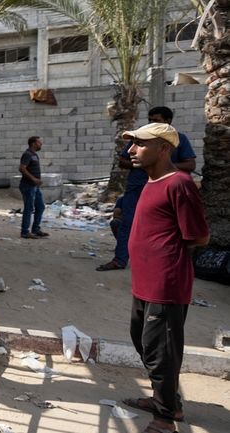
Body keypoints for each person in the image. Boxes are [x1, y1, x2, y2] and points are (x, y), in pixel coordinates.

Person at [120, 122, 209, 433]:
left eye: (141, 144)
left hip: (165, 283)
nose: (132, 150)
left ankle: (164, 420)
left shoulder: (179, 184)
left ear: (164, 148)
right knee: (143, 341)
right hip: (144, 282)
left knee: (161, 351)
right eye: (132, 144)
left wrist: (165, 255)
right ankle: (168, 401)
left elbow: (198, 236)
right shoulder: (150, 181)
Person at [96, 106, 197, 271]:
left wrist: (162, 167)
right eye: (150, 119)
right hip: (138, 187)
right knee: (128, 223)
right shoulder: (140, 137)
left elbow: (190, 164)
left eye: (156, 120)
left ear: (168, 121)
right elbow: (123, 160)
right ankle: (120, 259)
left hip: (164, 190)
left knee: (163, 227)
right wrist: (141, 166)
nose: (151, 123)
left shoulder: (178, 140)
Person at [19, 136, 48, 239]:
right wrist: (34, 179)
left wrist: (36, 181)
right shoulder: (27, 154)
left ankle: (35, 229)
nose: (41, 144)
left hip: (34, 186)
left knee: (40, 207)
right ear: (33, 143)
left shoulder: (34, 155)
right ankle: (25, 232)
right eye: (39, 143)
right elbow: (22, 168)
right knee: (29, 208)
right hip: (28, 186)